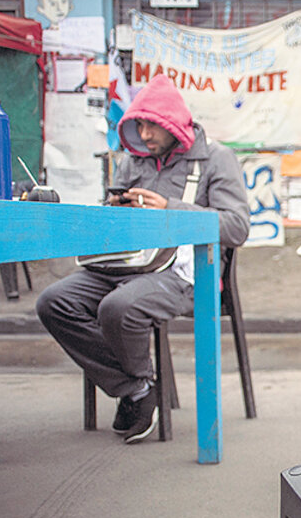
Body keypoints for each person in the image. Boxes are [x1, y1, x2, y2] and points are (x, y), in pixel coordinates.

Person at [36, 75, 250, 444]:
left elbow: (237, 227)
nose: (145, 134)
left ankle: (135, 389)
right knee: (54, 302)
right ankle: (136, 386)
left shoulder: (217, 158)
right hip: (126, 263)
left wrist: (172, 209)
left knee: (118, 308)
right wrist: (115, 210)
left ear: (172, 125)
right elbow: (114, 221)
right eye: (139, 125)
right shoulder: (135, 159)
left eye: (152, 125)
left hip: (185, 273)